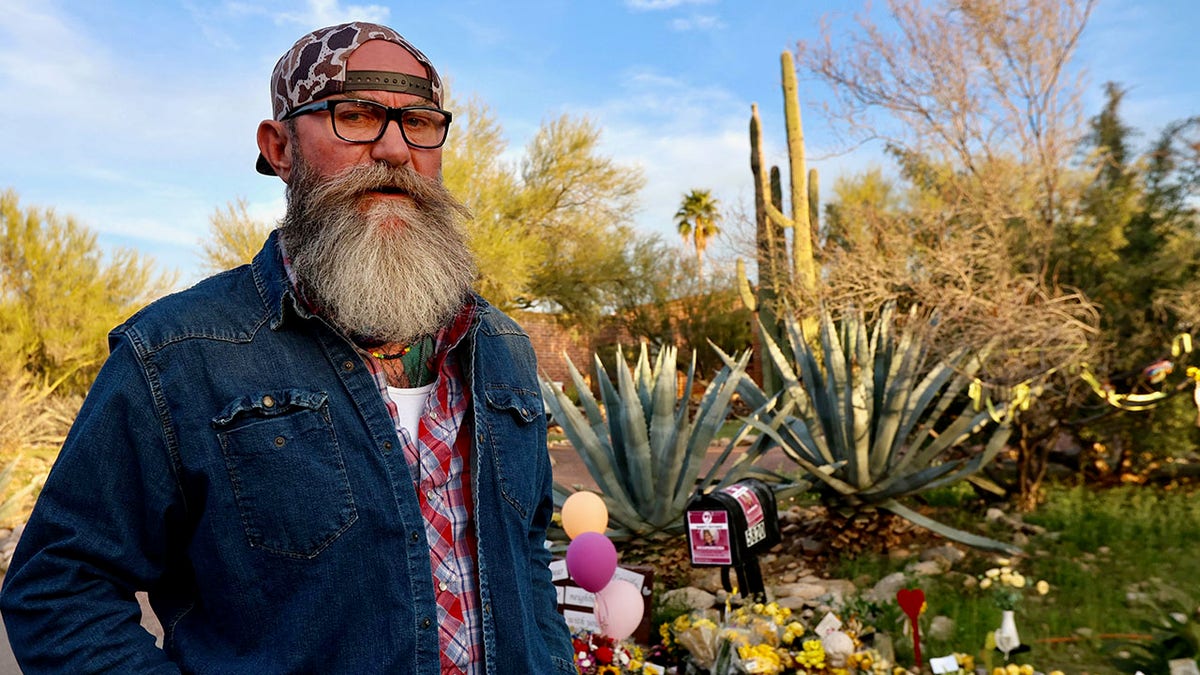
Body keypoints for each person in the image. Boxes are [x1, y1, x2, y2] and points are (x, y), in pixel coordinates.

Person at [0, 22, 575, 674]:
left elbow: (525, 546)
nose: (393, 147)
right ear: (279, 148)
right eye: (354, 115)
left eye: (419, 121)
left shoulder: (500, 346)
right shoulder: (178, 356)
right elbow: (60, 587)